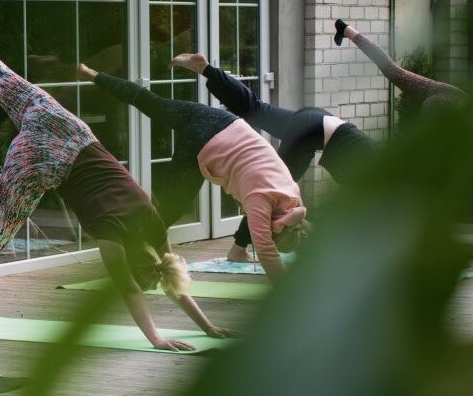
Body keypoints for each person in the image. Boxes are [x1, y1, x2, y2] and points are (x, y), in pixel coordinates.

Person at [0, 0, 235, 347]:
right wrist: (156, 339)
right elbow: (131, 290)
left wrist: (208, 327)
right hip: (44, 161)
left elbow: (170, 275)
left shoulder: (154, 227)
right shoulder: (112, 238)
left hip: (64, 125)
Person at [76, 63, 311, 282]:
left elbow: (296, 231)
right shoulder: (261, 200)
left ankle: (92, 74)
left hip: (223, 121)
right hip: (204, 142)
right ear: (277, 230)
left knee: (152, 103)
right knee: (171, 208)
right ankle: (135, 258)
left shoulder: (292, 194)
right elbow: (266, 250)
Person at [167, 53, 375, 263]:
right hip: (310, 133)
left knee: (255, 109)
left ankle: (205, 69)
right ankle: (238, 249)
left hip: (317, 120)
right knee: (269, 189)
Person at [334, 19, 468, 117]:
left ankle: (346, 30)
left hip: (447, 95)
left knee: (392, 71)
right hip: (442, 103)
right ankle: (345, 29)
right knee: (392, 71)